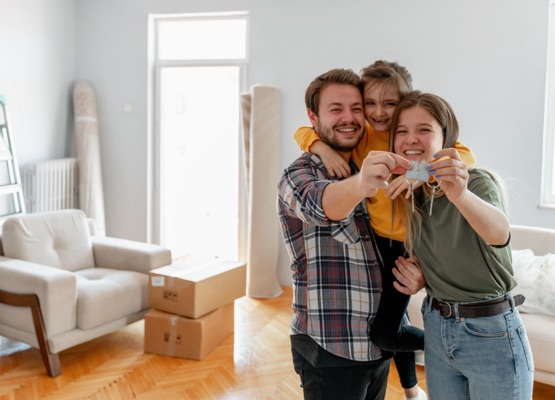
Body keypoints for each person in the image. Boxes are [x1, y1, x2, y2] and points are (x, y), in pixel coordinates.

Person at [293, 60, 476, 400]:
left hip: (406, 245)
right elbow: (303, 131)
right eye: (370, 104)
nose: (378, 112)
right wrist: (320, 147)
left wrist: (417, 173)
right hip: (376, 241)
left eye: (390, 104)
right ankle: (411, 388)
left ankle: (450, 349)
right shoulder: (362, 139)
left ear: (404, 104)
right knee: (394, 321)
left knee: (387, 333)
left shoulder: (408, 137)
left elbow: (464, 157)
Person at [277, 68, 425, 400]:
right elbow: (322, 205)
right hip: (331, 347)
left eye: (356, 108)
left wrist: (420, 278)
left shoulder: (368, 160)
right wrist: (359, 184)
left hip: (375, 350)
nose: (351, 117)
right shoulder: (298, 175)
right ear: (313, 118)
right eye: (336, 109)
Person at [382, 90, 534, 399]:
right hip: (437, 327)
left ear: (445, 138)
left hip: (491, 333)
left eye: (424, 130)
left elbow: (499, 234)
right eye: (402, 131)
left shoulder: (474, 181)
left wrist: (459, 195)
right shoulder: (411, 195)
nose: (411, 139)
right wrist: (424, 276)